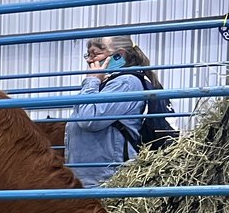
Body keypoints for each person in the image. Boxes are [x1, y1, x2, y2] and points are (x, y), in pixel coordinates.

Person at [64, 35, 161, 187]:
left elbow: (89, 120)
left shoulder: (126, 82)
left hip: (107, 180)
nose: (89, 61)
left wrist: (91, 81)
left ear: (118, 55)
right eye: (88, 55)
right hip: (90, 178)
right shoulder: (105, 84)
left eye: (95, 54)